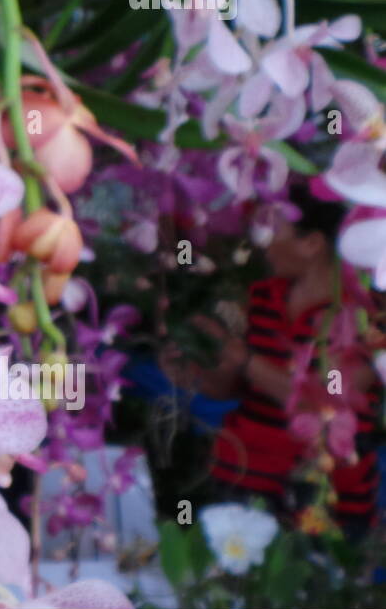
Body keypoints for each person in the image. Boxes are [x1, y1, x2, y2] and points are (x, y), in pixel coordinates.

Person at [163, 187, 383, 538]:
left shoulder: (366, 318)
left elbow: (331, 402)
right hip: (238, 474)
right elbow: (228, 389)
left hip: (322, 498)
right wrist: (192, 370)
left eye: (272, 229)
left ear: (311, 244)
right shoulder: (264, 296)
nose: (262, 241)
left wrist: (245, 359)